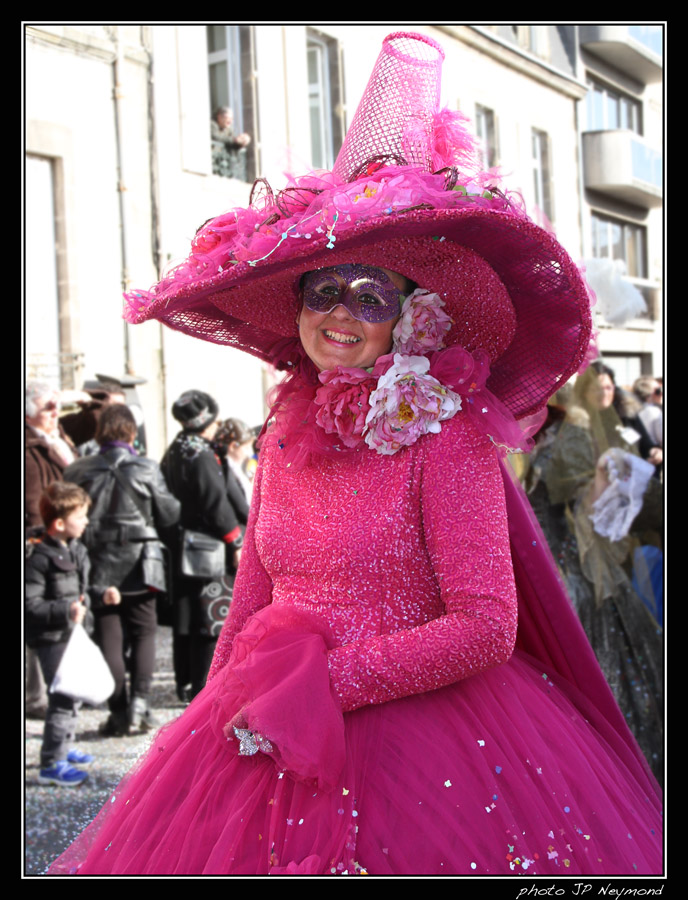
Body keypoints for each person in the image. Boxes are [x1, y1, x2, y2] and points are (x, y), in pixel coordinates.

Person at [49, 33, 661, 876]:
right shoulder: (285, 429)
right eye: (323, 291)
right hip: (268, 734)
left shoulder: (443, 435)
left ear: (411, 315)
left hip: (424, 751)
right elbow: (255, 593)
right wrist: (214, 709)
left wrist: (330, 683)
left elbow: (487, 626)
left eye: (370, 295)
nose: (340, 313)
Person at [524, 364, 664, 779]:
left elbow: (589, 509)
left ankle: (613, 767)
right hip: (535, 568)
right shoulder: (519, 434)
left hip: (566, 568)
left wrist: (605, 480)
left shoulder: (566, 433)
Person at [62, 404, 181, 734]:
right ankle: (139, 708)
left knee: (108, 635)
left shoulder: (78, 468)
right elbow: (169, 513)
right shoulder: (145, 467)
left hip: (96, 560)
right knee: (144, 631)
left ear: (100, 433)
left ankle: (117, 712)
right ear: (131, 433)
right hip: (141, 561)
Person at [25, 482, 121, 786]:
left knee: (74, 694)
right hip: (52, 639)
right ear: (59, 523)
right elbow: (30, 604)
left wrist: (101, 594)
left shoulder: (76, 548)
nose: (86, 521)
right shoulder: (39, 558)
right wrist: (64, 610)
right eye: (80, 516)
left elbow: (81, 590)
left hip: (72, 634)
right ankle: (52, 762)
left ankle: (63, 746)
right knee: (63, 697)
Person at [161, 392, 245, 701]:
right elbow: (215, 503)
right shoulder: (201, 454)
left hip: (183, 545)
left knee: (188, 620)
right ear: (207, 421)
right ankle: (204, 690)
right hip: (210, 548)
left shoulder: (176, 449)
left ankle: (187, 683)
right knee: (211, 620)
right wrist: (235, 540)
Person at [214, 417, 255, 508]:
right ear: (232, 446)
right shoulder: (225, 470)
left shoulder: (234, 467)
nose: (250, 453)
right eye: (246, 448)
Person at [211, 106, 251, 181]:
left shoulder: (229, 129)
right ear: (219, 117)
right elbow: (217, 137)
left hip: (223, 164)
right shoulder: (212, 125)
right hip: (213, 163)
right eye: (227, 118)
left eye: (232, 119)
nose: (230, 121)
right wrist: (235, 140)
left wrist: (242, 141)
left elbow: (232, 141)